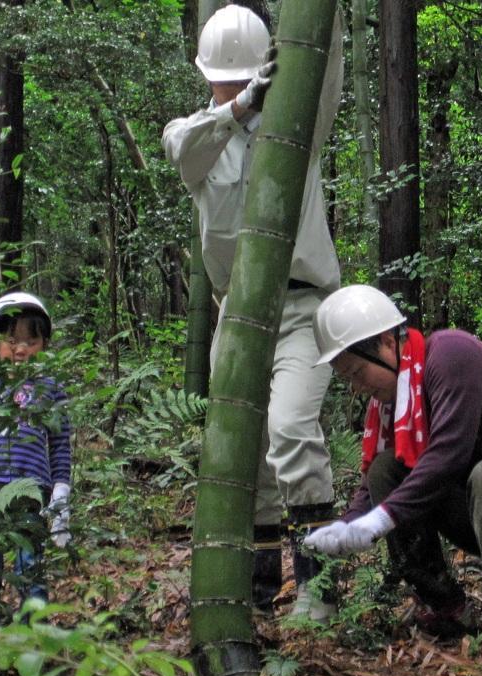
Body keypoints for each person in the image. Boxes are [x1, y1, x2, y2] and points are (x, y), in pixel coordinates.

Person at [161, 5, 343, 620]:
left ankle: (320, 587)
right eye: (223, 79)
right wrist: (236, 110)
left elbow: (329, 75)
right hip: (235, 315)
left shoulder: (297, 126)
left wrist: (328, 26)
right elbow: (183, 149)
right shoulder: (197, 135)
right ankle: (262, 588)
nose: (233, 87)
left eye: (242, 79)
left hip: (301, 308)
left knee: (291, 429)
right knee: (248, 459)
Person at [304, 285, 482, 658]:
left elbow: (449, 455)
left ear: (388, 343)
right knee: (386, 470)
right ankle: (445, 605)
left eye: (358, 372)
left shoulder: (451, 354)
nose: (359, 388)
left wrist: (380, 520)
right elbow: (378, 473)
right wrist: (349, 524)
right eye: (349, 379)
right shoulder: (395, 398)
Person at [0, 292, 73, 625]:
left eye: (30, 341)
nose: (20, 349)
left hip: (31, 490)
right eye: (11, 340)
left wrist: (61, 493)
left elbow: (60, 445)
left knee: (30, 564)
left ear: (44, 345)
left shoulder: (51, 389)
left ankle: (35, 635)